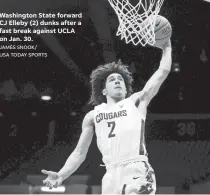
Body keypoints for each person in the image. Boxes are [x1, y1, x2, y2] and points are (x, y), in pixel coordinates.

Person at [42, 39, 172, 194]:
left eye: (120, 80)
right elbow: (79, 153)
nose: (117, 81)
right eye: (112, 80)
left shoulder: (136, 101)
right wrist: (61, 175)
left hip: (136, 169)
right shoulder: (93, 116)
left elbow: (162, 72)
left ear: (125, 89)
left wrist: (167, 47)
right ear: (104, 91)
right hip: (110, 176)